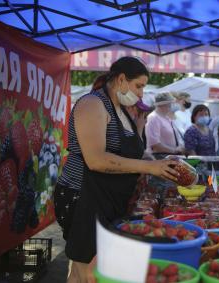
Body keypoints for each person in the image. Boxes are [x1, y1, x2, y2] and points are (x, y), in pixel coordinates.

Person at [54, 57, 179, 283]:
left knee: (93, 269)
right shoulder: (92, 104)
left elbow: (130, 153)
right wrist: (150, 167)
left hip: (109, 198)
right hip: (83, 196)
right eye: (139, 86)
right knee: (86, 271)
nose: (141, 94)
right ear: (121, 79)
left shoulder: (123, 111)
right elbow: (96, 160)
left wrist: (142, 134)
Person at [145, 92, 184, 158]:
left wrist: (180, 147)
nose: (173, 104)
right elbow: (155, 145)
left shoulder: (167, 118)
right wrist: (174, 151)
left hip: (170, 156)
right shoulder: (153, 118)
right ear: (165, 104)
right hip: (159, 158)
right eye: (171, 103)